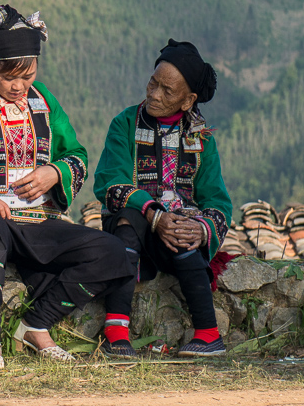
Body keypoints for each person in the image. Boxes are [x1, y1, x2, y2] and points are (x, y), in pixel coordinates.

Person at [0, 5, 136, 368]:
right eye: (9, 77)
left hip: (40, 220)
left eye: (28, 75)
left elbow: (76, 154)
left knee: (113, 251)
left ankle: (36, 325)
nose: (20, 86)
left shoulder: (43, 102)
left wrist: (55, 173)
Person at [93, 39, 234, 357]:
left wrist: (200, 228)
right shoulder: (126, 124)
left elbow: (217, 201)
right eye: (152, 83)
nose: (154, 94)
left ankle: (209, 335)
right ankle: (116, 332)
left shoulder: (201, 139)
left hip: (174, 231)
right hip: (136, 222)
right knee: (128, 224)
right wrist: (154, 214)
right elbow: (109, 181)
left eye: (167, 91)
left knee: (185, 234)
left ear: (188, 100)